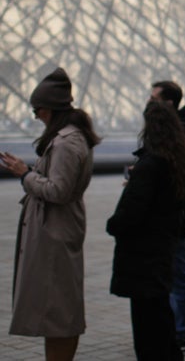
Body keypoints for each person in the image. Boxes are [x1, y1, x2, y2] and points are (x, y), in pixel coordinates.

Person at [0, 68, 100, 361]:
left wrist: (24, 174)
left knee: (59, 314)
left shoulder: (67, 142)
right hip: (55, 231)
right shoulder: (70, 137)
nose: (36, 117)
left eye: (37, 111)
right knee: (56, 312)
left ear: (50, 109)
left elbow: (59, 190)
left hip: (54, 234)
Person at [107, 100, 185, 360]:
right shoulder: (178, 160)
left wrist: (113, 225)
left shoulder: (150, 164)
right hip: (163, 250)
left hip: (142, 257)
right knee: (162, 320)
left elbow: (130, 213)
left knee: (147, 330)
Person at [150, 80, 185, 353]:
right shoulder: (180, 128)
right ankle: (176, 329)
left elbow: (175, 172)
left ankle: (184, 334)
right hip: (175, 212)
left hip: (175, 213)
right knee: (172, 273)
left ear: (168, 104)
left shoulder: (181, 132)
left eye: (154, 99)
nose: (149, 104)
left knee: (179, 274)